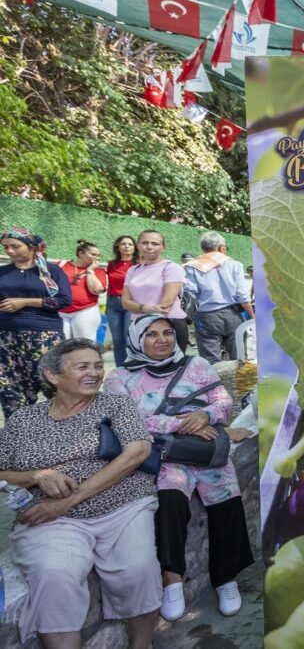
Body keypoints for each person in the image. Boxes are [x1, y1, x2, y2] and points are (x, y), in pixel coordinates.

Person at [0, 338, 159, 647]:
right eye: (83, 366)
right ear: (53, 376)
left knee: (137, 568)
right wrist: (37, 475)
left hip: (122, 505)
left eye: (98, 366)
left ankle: (142, 644)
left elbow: (138, 451)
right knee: (55, 573)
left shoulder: (115, 404)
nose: (95, 373)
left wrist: (72, 498)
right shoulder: (22, 420)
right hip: (50, 518)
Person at [105, 316, 253, 621]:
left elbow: (223, 402)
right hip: (162, 454)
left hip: (206, 450)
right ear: (136, 339)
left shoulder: (197, 365)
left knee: (227, 499)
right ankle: (171, 580)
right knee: (170, 501)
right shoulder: (120, 377)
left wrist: (206, 415)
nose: (162, 339)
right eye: (152, 334)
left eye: (168, 333)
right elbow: (128, 420)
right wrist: (184, 425)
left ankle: (226, 579)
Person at [0, 228, 73, 419]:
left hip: (43, 336)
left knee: (53, 383)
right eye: (6, 247)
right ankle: (18, 433)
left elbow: (64, 300)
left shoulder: (50, 271)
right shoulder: (3, 272)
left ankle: (62, 429)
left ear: (32, 247)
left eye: (16, 246)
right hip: (6, 336)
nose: (10, 251)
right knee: (9, 387)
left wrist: (24, 302)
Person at [183, 232, 255, 364]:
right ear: (222, 248)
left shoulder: (191, 266)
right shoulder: (235, 265)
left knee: (210, 360)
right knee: (239, 357)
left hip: (206, 317)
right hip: (233, 315)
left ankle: (214, 383)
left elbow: (190, 294)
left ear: (203, 248)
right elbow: (242, 296)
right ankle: (239, 384)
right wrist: (252, 316)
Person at [121, 230, 190, 353]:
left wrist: (139, 308)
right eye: (144, 243)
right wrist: (145, 308)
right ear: (138, 245)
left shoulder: (172, 268)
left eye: (155, 243)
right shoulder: (133, 270)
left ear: (163, 247)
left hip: (169, 326)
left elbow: (166, 304)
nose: (149, 247)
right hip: (139, 326)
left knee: (172, 370)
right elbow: (125, 302)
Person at [58, 240, 108, 342]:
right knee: (60, 344)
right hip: (60, 311)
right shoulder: (61, 265)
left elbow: (96, 290)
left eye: (99, 255)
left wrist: (90, 271)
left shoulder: (99, 271)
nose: (97, 258)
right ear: (81, 253)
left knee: (83, 344)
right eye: (93, 254)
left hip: (85, 311)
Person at [106, 235, 138, 367]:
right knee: (117, 340)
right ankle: (121, 369)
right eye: (123, 244)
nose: (126, 246)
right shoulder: (111, 264)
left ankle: (133, 366)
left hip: (131, 303)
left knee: (129, 338)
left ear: (135, 247)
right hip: (113, 304)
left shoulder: (139, 265)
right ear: (118, 247)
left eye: (130, 244)